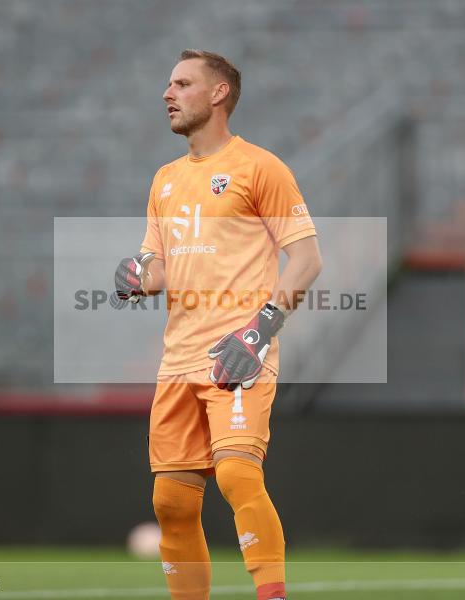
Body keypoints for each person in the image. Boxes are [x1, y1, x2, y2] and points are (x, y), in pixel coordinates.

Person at [115, 49, 322, 600]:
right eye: (168, 84)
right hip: (178, 361)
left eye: (182, 83)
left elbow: (306, 259)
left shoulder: (260, 168)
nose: (168, 93)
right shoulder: (164, 180)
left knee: (235, 475)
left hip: (238, 352)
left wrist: (260, 332)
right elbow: (158, 268)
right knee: (171, 502)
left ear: (218, 93)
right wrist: (137, 272)